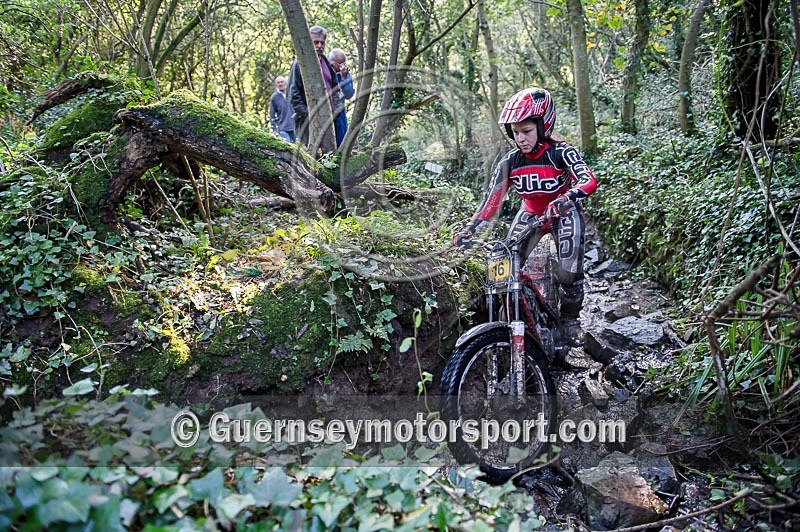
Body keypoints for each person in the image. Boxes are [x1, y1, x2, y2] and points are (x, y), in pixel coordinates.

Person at [453, 88, 598, 347]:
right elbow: (491, 203)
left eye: (527, 131)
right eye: (515, 132)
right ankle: (510, 318)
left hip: (563, 212)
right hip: (530, 212)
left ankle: (570, 320)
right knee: (505, 265)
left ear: (543, 126)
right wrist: (470, 230)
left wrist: (567, 198)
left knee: (569, 271)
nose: (520, 138)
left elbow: (588, 180)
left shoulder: (561, 152)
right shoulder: (510, 162)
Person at [287, 25, 338, 146]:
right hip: (308, 123)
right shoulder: (300, 64)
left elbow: (336, 89)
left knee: (329, 155)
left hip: (329, 121)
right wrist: (308, 115)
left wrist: (335, 111)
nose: (319, 45)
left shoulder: (327, 63)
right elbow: (292, 94)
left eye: (322, 42)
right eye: (316, 42)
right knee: (311, 156)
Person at [328, 48, 355, 147]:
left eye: (344, 63)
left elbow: (349, 94)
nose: (343, 66)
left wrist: (343, 78)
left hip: (340, 111)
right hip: (326, 111)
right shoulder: (325, 71)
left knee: (342, 137)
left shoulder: (345, 75)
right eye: (340, 63)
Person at [269, 76, 296, 142]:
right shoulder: (274, 97)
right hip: (282, 127)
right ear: (276, 84)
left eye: (282, 82)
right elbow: (272, 114)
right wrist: (274, 128)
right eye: (278, 82)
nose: (280, 84)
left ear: (285, 83)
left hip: (294, 126)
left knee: (299, 147)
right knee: (287, 146)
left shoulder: (292, 93)